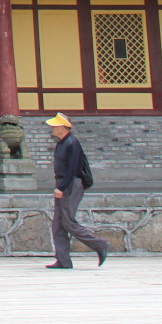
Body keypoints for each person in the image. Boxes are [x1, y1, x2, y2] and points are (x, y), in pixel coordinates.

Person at [45, 112, 108, 269]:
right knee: (58, 225)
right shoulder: (62, 143)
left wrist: (61, 188)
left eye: (54, 126)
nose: (52, 128)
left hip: (71, 184)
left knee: (68, 222)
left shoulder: (72, 143)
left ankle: (99, 244)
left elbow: (73, 169)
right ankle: (63, 260)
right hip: (63, 183)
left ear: (62, 127)